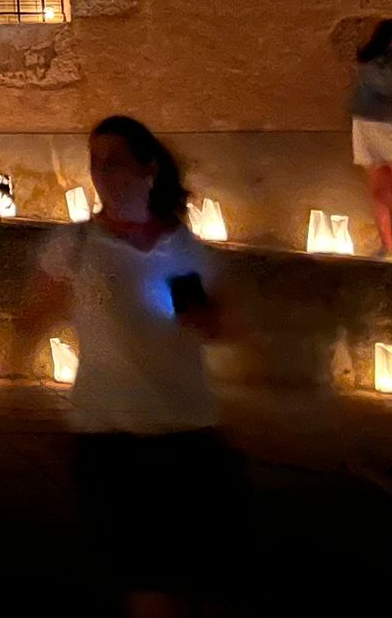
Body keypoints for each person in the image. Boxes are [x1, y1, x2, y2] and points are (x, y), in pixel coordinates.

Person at [19, 116, 240, 615]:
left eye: (114, 162)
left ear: (149, 169)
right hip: (111, 438)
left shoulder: (183, 246)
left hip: (189, 434)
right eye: (95, 163)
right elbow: (31, 321)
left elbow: (220, 326)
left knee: (195, 589)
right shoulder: (73, 247)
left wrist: (206, 318)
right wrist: (33, 402)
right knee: (149, 591)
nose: (101, 174)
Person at [349, 18, 392, 260]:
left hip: (362, 124)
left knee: (379, 189)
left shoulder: (364, 60)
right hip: (388, 124)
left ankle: (386, 247)